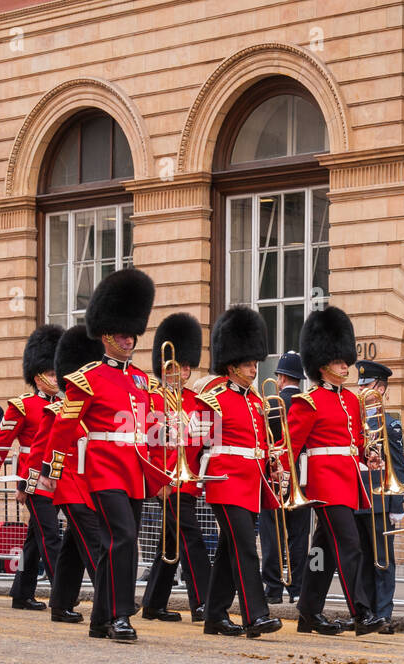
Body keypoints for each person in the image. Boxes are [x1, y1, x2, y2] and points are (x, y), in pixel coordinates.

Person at [38, 268, 154, 643]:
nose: (129, 338)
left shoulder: (141, 379)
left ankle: (100, 619)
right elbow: (64, 428)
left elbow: (149, 429)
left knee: (117, 542)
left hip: (134, 469)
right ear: (106, 335)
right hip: (103, 470)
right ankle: (121, 615)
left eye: (132, 333)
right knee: (122, 537)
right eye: (122, 333)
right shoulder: (86, 378)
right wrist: (52, 470)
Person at [285, 306, 388, 636]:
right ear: (322, 364)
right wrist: (288, 483)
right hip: (324, 484)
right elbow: (292, 446)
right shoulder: (308, 402)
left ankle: (308, 612)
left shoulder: (351, 400)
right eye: (340, 361)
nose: (347, 366)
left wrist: (369, 456)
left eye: (347, 360)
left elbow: (355, 442)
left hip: (348, 480)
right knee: (350, 545)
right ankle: (362, 612)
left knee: (323, 551)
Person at [197, 306, 282, 637]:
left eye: (255, 362)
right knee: (246, 547)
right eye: (248, 364)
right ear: (231, 365)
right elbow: (194, 440)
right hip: (225, 480)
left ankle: (214, 615)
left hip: (252, 483)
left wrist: (271, 460)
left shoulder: (258, 402)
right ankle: (255, 615)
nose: (253, 368)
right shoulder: (213, 398)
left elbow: (260, 444)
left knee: (230, 548)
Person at [141, 312, 212, 624]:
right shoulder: (152, 400)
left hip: (191, 481)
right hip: (168, 482)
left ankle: (154, 604)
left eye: (186, 366)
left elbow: (208, 440)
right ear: (163, 366)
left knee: (169, 544)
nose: (182, 371)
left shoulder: (197, 401)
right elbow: (147, 445)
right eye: (176, 365)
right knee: (191, 539)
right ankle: (204, 603)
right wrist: (158, 481)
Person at [0, 323, 63, 611]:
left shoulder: (64, 404)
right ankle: (63, 590)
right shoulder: (22, 406)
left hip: (57, 478)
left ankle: (21, 593)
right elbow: (2, 443)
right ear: (37, 377)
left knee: (35, 539)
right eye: (50, 373)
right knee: (51, 536)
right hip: (33, 479)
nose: (55, 378)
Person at [43, 325, 105, 624]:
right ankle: (108, 599)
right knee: (94, 542)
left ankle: (60, 603)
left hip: (89, 483)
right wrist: (35, 486)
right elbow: (38, 453)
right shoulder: (55, 412)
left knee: (72, 547)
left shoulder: (95, 410)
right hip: (68, 485)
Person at [354, 360, 404, 632]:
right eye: (360, 385)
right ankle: (366, 613)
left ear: (381, 389)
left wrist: (397, 504)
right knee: (361, 560)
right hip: (356, 497)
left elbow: (397, 465)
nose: (361, 390)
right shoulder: (351, 418)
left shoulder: (389, 423)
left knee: (383, 561)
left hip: (379, 500)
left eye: (368, 386)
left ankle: (383, 613)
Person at [259, 350, 309, 605]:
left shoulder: (273, 403)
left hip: (276, 475)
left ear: (280, 378)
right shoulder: (307, 403)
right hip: (301, 475)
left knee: (272, 532)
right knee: (299, 535)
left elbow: (267, 441)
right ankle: (297, 587)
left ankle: (273, 587)